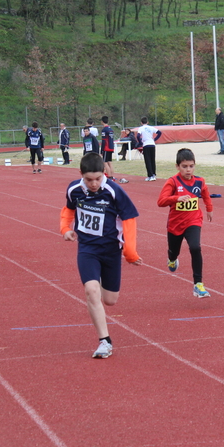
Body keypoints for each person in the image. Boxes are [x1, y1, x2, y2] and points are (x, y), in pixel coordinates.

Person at [59, 152, 142, 359]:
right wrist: (65, 228)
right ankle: (104, 341)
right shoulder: (74, 189)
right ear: (81, 175)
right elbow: (68, 210)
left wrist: (130, 252)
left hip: (111, 250)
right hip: (87, 249)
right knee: (91, 290)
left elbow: (129, 218)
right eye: (89, 180)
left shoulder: (113, 191)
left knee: (110, 300)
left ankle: (105, 301)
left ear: (104, 174)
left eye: (98, 178)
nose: (94, 184)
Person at [157, 148, 214, 298]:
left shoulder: (200, 181)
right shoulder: (172, 182)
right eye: (184, 166)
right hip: (175, 224)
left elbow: (206, 194)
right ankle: (172, 259)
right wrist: (176, 198)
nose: (188, 170)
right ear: (177, 166)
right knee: (173, 251)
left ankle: (198, 284)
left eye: (191, 166)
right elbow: (161, 202)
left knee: (195, 247)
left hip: (193, 220)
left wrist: (209, 209)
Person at [137, 116, 162, 181]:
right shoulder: (151, 127)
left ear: (141, 123)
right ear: (147, 122)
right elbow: (159, 133)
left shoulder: (141, 128)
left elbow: (138, 136)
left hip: (146, 145)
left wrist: (140, 142)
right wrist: (155, 139)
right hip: (152, 144)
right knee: (152, 160)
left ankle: (150, 175)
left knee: (147, 160)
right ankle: (153, 174)